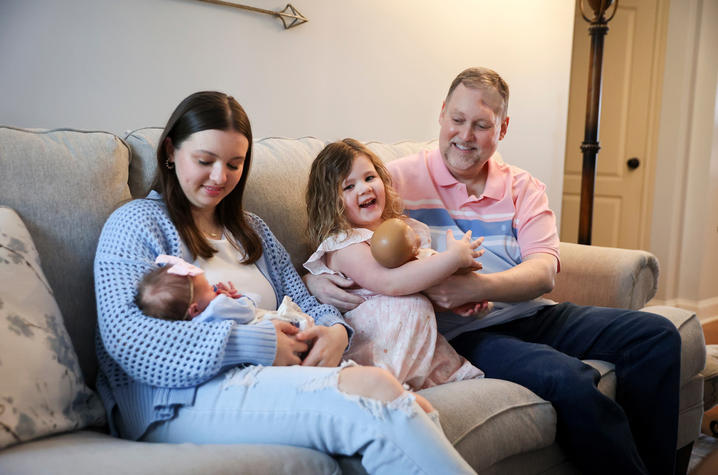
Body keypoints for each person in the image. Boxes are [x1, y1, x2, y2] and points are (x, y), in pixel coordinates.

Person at [304, 68, 682, 475]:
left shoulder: (524, 187)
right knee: (569, 379)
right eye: (458, 120)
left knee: (656, 335)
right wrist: (314, 280)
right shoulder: (393, 180)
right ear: (442, 114)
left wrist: (476, 287)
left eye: (482, 125)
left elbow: (543, 273)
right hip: (469, 335)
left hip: (535, 312)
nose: (465, 135)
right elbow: (339, 234)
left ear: (502, 128)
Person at [94, 91, 476, 474]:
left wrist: (336, 334)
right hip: (178, 398)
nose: (219, 177)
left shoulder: (250, 230)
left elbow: (308, 302)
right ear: (170, 152)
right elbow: (128, 338)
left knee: (416, 408)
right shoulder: (136, 223)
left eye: (234, 164)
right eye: (205, 161)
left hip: (275, 376)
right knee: (376, 393)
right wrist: (257, 343)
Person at [304, 138, 485, 390]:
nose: (364, 188)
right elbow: (390, 282)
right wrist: (451, 258)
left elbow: (420, 281)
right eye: (348, 186)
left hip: (419, 347)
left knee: (470, 382)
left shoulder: (402, 231)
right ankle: (385, 388)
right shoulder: (344, 244)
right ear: (330, 203)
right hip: (376, 348)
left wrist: (456, 295)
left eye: (369, 178)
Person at [136, 254, 314, 329]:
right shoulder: (217, 307)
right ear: (195, 310)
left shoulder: (201, 317)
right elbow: (250, 308)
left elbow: (303, 298)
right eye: (208, 288)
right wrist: (236, 297)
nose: (214, 287)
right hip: (266, 328)